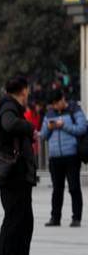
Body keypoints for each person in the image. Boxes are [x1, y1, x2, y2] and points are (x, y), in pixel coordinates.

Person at [0, 77, 38, 255]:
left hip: (19, 175)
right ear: (24, 92)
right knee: (13, 220)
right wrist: (29, 127)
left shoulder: (6, 106)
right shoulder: (9, 107)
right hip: (13, 175)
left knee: (25, 220)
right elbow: (9, 125)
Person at [40, 88, 87, 228]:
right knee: (57, 189)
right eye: (52, 105)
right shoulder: (49, 115)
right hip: (55, 156)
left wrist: (64, 125)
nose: (55, 106)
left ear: (63, 99)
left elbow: (81, 128)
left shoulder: (74, 110)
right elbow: (43, 135)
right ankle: (55, 217)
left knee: (74, 187)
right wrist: (48, 128)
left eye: (56, 103)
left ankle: (76, 217)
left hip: (71, 154)